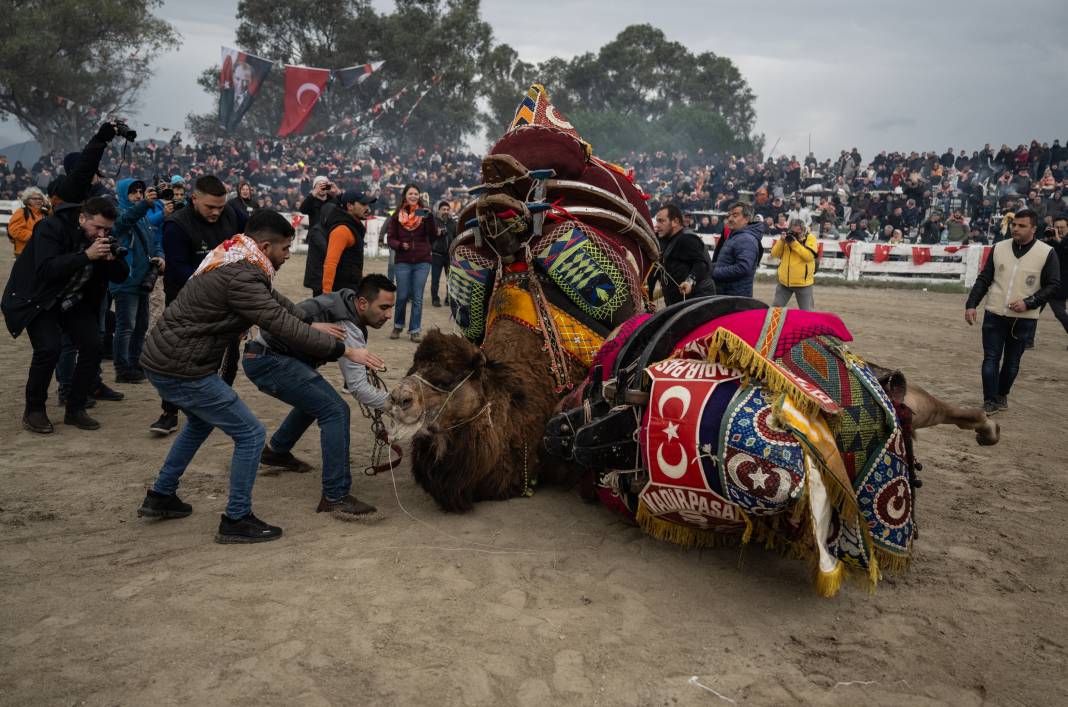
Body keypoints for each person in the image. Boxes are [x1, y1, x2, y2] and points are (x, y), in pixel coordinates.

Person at [135, 210, 385, 544]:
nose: (286, 256)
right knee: (251, 433)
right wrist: (344, 351)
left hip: (171, 359)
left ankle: (161, 496)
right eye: (284, 250)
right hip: (182, 366)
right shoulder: (244, 275)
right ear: (266, 246)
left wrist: (310, 323)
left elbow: (281, 307)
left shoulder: (239, 259)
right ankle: (236, 518)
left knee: (199, 423)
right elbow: (278, 322)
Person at [242, 275, 397, 519]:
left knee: (317, 399)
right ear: (363, 303)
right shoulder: (348, 325)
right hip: (267, 360)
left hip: (263, 355)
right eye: (384, 308)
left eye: (391, 308)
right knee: (335, 410)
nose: (389, 315)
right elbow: (358, 388)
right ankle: (335, 496)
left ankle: (277, 452)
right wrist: (398, 406)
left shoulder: (343, 301)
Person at [2, 197, 130, 433]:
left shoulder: (101, 240)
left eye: (107, 229)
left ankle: (76, 408)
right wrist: (86, 256)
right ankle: (34, 411)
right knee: (49, 349)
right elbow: (46, 269)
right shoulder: (52, 227)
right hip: (38, 299)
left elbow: (122, 275)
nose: (101, 233)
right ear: (82, 218)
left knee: (93, 345)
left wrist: (111, 260)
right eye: (97, 227)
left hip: (72, 300)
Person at [151, 175, 241, 435]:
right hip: (185, 301)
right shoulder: (176, 225)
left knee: (229, 354)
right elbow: (179, 271)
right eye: (210, 207)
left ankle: (220, 406)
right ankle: (169, 412)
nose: (216, 212)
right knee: (180, 357)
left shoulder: (231, 215)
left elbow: (253, 234)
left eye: (220, 207)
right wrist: (217, 282)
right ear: (194, 199)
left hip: (226, 300)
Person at [964, 209, 1060, 414]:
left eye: (1021, 226)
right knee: (990, 358)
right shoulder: (999, 248)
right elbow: (984, 278)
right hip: (994, 313)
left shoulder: (1046, 252)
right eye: (1014, 224)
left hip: (1023, 318)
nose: (1015, 228)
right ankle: (989, 400)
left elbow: (1053, 285)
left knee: (1012, 362)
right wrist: (971, 304)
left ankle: (1001, 395)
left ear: (1033, 229)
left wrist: (1030, 302)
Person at [109, 179, 166, 384]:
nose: (139, 194)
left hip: (142, 280)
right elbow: (123, 224)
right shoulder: (117, 213)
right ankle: (122, 368)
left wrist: (160, 256)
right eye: (134, 191)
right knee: (126, 327)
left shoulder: (144, 217)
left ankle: (135, 363)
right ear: (124, 193)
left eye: (141, 191)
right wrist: (145, 205)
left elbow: (155, 241)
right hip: (125, 280)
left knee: (141, 325)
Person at [303, 189, 375, 297]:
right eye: (363, 204)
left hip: (349, 288)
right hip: (340, 291)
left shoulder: (353, 225)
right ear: (350, 206)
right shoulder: (342, 229)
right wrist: (326, 294)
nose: (367, 208)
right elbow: (330, 263)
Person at [386, 183, 434, 342]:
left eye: (416, 194)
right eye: (410, 193)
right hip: (403, 261)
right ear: (405, 196)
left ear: (419, 196)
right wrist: (399, 245)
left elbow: (432, 234)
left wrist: (430, 218)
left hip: (422, 261)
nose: (413, 196)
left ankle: (414, 330)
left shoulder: (423, 213)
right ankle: (398, 326)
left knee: (418, 297)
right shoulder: (396, 215)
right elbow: (390, 238)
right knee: (402, 295)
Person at [646, 203, 715, 305]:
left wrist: (689, 282)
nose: (657, 225)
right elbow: (657, 267)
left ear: (675, 222)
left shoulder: (687, 238)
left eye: (661, 221)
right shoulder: (664, 238)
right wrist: (649, 296)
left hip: (696, 300)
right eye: (657, 221)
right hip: (676, 300)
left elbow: (701, 264)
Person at [712, 201, 765, 297]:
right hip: (726, 293)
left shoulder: (746, 239)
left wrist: (714, 272)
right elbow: (726, 262)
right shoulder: (734, 236)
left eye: (735, 215)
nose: (730, 219)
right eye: (730, 215)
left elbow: (742, 268)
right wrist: (710, 266)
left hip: (735, 296)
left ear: (746, 219)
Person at [770, 218, 818, 310]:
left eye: (798, 228)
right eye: (793, 228)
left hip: (803, 284)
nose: (796, 231)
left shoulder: (810, 238)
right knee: (775, 311)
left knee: (807, 312)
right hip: (784, 283)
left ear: (802, 228)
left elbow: (808, 256)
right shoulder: (787, 238)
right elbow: (774, 254)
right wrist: (781, 241)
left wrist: (794, 243)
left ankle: (809, 325)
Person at [1045, 216, 1068, 343]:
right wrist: (1048, 238)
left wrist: (1059, 240)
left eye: (1062, 228)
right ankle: (1029, 339)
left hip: (1063, 282)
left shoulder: (1064, 241)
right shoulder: (1053, 241)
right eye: (1057, 227)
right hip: (1053, 281)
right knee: (1036, 310)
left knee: (1059, 312)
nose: (1059, 230)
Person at [7, 186, 47, 256]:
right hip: (24, 253)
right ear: (27, 200)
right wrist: (37, 237)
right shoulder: (21, 212)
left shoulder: (45, 213)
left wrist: (48, 207)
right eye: (34, 199)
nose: (38, 201)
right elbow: (15, 230)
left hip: (41, 253)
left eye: (40, 199)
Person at [430, 200, 456, 307]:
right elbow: (430, 237)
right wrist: (437, 233)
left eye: (447, 209)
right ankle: (435, 299)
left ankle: (448, 298)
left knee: (450, 279)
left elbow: (456, 237)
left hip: (449, 256)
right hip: (436, 255)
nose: (445, 211)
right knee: (435, 279)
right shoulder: (433, 222)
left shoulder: (453, 223)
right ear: (439, 210)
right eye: (443, 209)